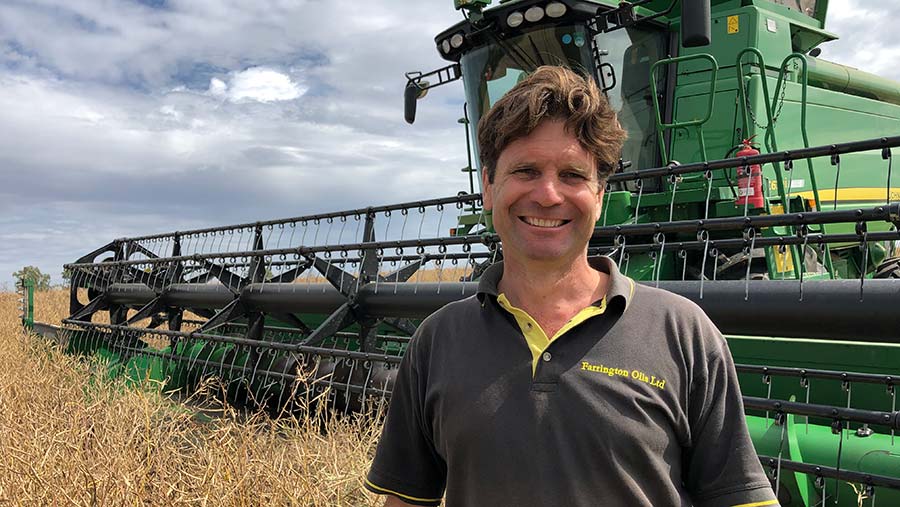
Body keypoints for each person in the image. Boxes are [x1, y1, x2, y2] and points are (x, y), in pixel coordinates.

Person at [365, 66, 778, 507]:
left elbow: (739, 497)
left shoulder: (682, 333)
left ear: (600, 193)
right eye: (525, 170)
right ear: (488, 186)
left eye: (572, 175)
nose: (547, 195)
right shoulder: (437, 340)